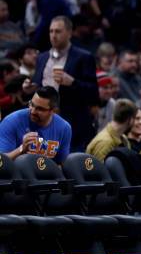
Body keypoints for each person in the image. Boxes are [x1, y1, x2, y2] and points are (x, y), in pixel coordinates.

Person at [30, 16, 98, 152]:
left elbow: (93, 93)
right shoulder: (42, 57)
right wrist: (29, 88)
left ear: (69, 33)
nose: (53, 36)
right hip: (43, 121)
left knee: (70, 165)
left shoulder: (84, 57)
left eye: (58, 31)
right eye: (51, 31)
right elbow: (38, 86)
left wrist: (72, 82)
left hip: (73, 122)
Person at [0, 86, 71, 164]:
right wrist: (21, 149)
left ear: (53, 111)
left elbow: (62, 164)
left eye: (40, 109)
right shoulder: (12, 121)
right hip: (17, 174)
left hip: (46, 174)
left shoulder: (64, 128)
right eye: (32, 104)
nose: (33, 111)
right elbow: (1, 162)